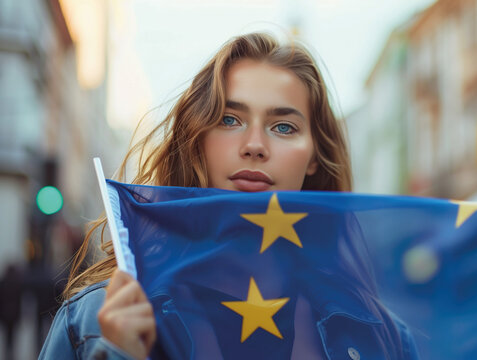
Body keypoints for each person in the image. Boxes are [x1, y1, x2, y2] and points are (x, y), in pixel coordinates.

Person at [39, 32, 417, 360]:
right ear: (198, 137)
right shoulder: (94, 319)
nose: (254, 145)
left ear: (315, 156)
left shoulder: (380, 338)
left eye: (283, 126)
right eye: (229, 119)